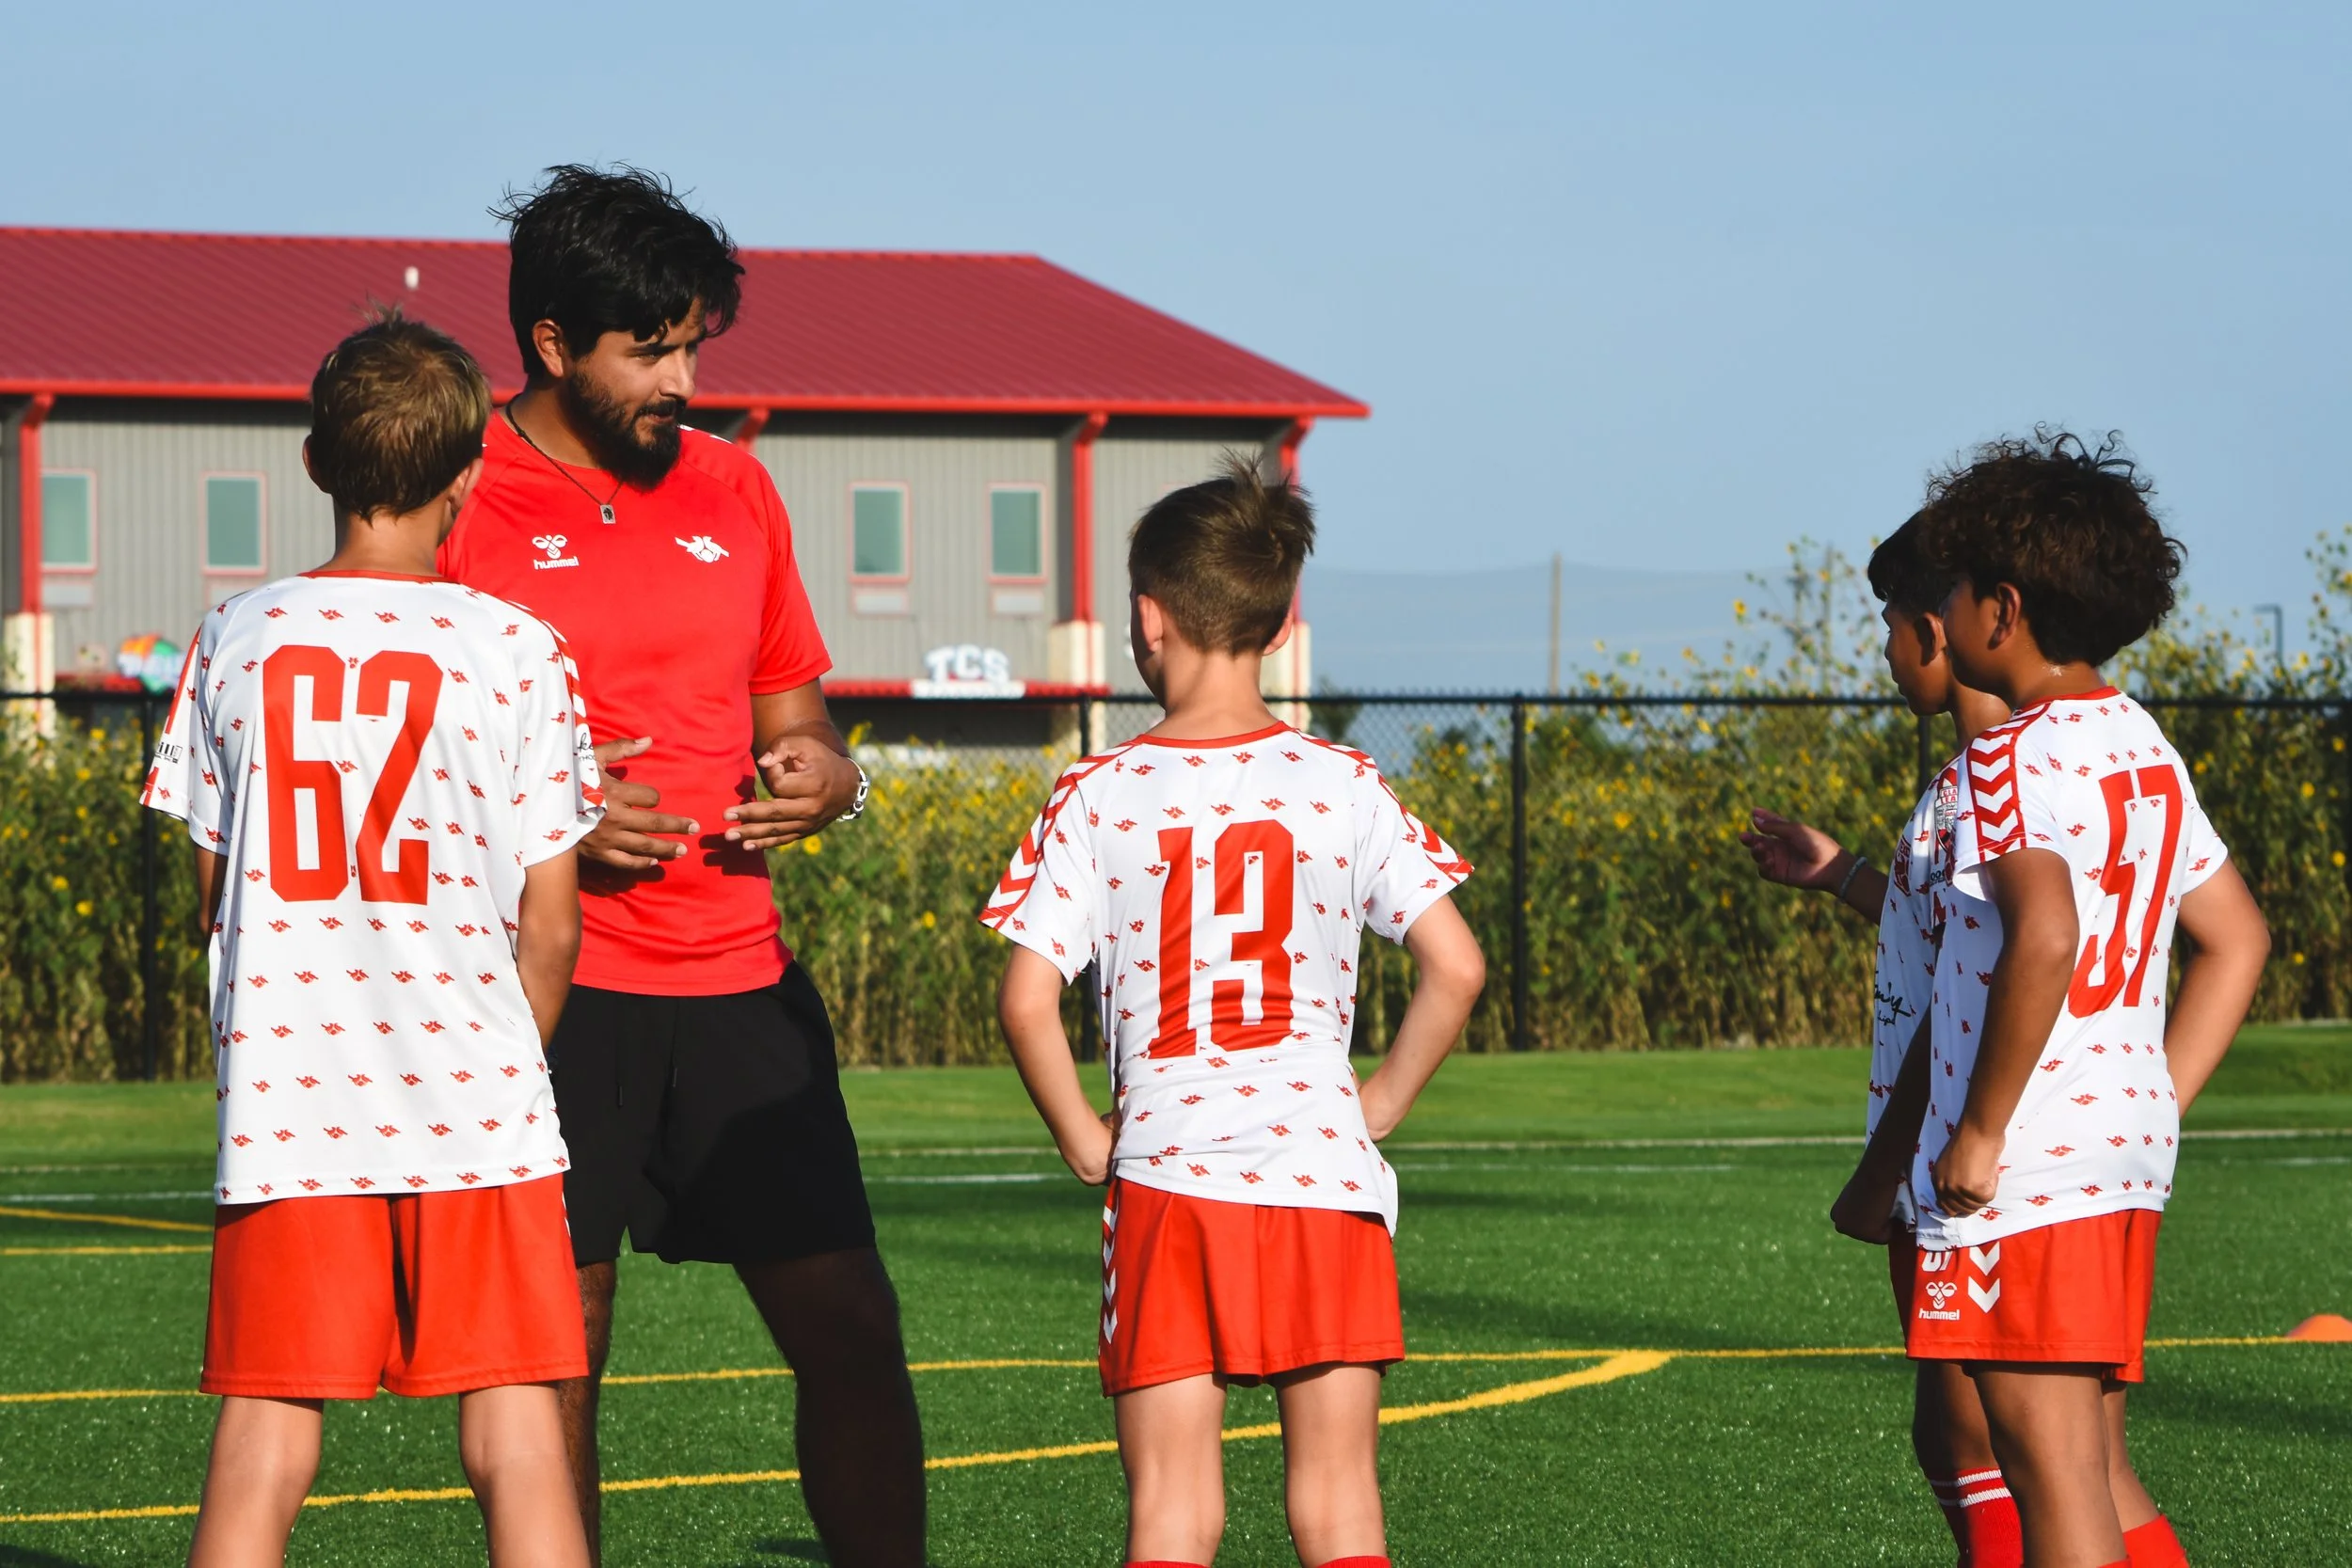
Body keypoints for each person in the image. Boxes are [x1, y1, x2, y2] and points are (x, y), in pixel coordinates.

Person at [436, 165, 924, 1567]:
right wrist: (554, 823)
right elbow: (401, 761)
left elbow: (800, 719)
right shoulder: (455, 497)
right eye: (649, 349)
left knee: (850, 1323)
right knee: (561, 1350)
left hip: (739, 984)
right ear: (550, 343)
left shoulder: (737, 485)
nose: (683, 380)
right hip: (547, 997)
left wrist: (827, 777)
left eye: (693, 345)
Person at [142, 313, 601, 1568]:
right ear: (470, 474)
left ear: (314, 461)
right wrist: (504, 1059)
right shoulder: (517, 647)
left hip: (293, 1098)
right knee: (517, 1429)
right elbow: (553, 922)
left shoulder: (234, 635)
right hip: (477, 1096)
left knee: (266, 1428)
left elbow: (213, 888)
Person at [982, 458, 1486, 1568]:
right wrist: (1375, 1104)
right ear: (1278, 621)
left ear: (1148, 618)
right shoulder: (1345, 781)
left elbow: (1025, 997)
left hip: (1167, 1177)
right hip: (1322, 1176)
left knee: (1172, 1513)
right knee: (1340, 1508)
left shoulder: (1095, 791)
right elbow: (1456, 966)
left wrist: (1084, 1140)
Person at [1910, 432, 2270, 1568]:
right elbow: (2237, 937)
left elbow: (2047, 929)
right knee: (2086, 1465)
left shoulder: (2004, 758)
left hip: (2027, 1162)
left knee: (2051, 1468)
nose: (1942, 610)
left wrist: (1981, 1127)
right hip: (2117, 1153)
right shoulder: (2139, 741)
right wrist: (2152, 1093)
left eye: (1955, 588)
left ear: (2001, 610)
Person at [1740, 514, 2023, 1567]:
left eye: (1892, 626)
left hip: (1959, 1167)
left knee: (1999, 1446)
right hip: (1959, 1161)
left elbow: (1975, 987)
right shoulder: (1973, 781)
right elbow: (1948, 937)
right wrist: (1846, 875)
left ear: (1938, 630)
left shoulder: (1992, 786)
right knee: (1967, 1439)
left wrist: (1883, 1170)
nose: (1888, 652)